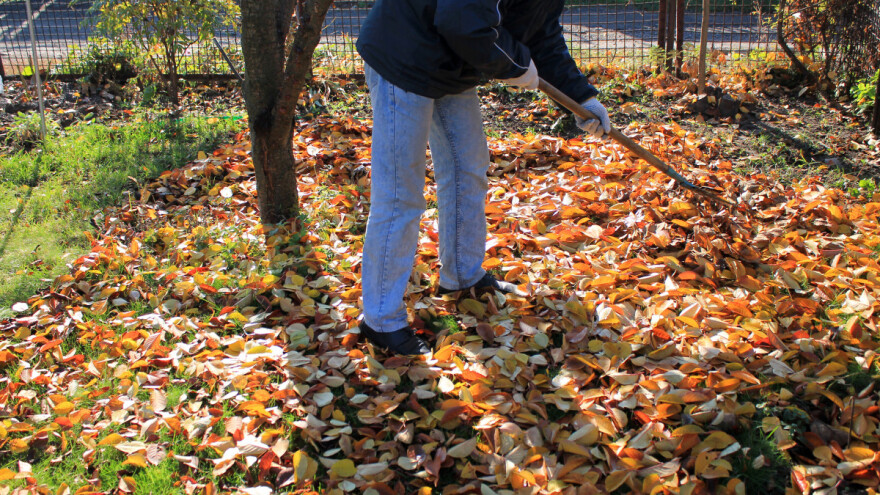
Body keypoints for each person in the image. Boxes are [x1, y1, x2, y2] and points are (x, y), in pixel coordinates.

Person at [355, 0, 611, 356]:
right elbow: (463, 22)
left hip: (453, 62)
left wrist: (582, 96)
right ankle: (380, 322)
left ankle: (462, 277)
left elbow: (543, 33)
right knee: (400, 194)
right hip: (404, 54)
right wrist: (515, 65)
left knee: (467, 170)